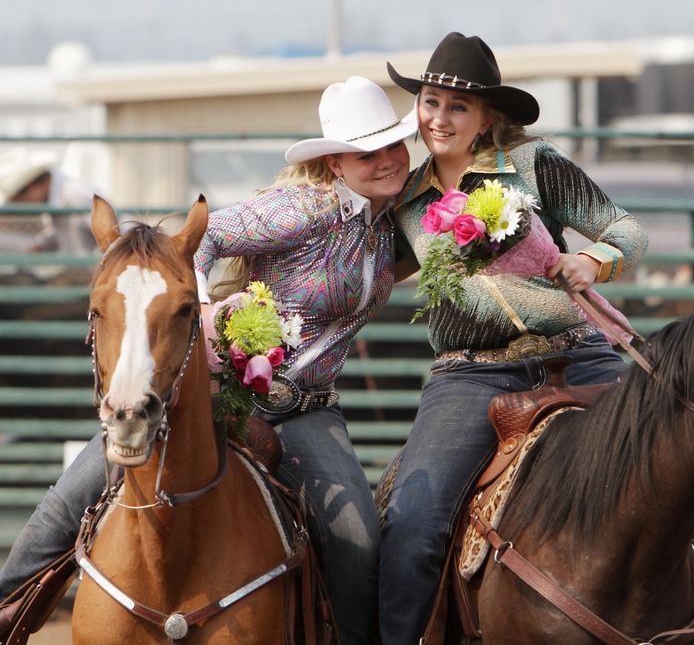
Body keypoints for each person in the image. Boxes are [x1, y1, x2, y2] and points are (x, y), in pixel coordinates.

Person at [377, 32, 694, 643]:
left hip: (579, 357)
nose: (439, 119)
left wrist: (595, 261)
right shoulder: (405, 195)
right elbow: (383, 272)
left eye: (458, 107)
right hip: (471, 372)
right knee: (415, 522)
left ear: (486, 118)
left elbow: (626, 229)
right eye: (430, 102)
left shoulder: (535, 164)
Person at [0, 76, 415, 645]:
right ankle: (6, 614)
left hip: (309, 408)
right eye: (367, 152)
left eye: (393, 145)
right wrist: (200, 306)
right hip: (229, 394)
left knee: (358, 539)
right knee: (68, 502)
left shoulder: (383, 225)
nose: (387, 160)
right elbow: (202, 236)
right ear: (336, 163)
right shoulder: (303, 208)